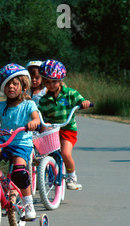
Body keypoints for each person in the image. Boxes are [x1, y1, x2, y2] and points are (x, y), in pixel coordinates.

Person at [0, 63, 40, 220]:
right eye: (7, 84)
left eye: (15, 83)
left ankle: (28, 205)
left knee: (19, 173)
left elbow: (36, 118)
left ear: (23, 85)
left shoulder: (28, 104)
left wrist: (34, 122)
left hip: (21, 144)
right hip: (4, 141)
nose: (11, 87)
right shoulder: (1, 106)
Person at [37, 59, 91, 190]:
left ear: (60, 80)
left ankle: (72, 176)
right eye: (47, 82)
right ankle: (47, 173)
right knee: (45, 153)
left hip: (67, 130)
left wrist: (84, 103)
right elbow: (40, 114)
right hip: (52, 130)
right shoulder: (44, 100)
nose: (51, 85)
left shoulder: (70, 94)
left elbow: (82, 101)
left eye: (54, 81)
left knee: (66, 153)